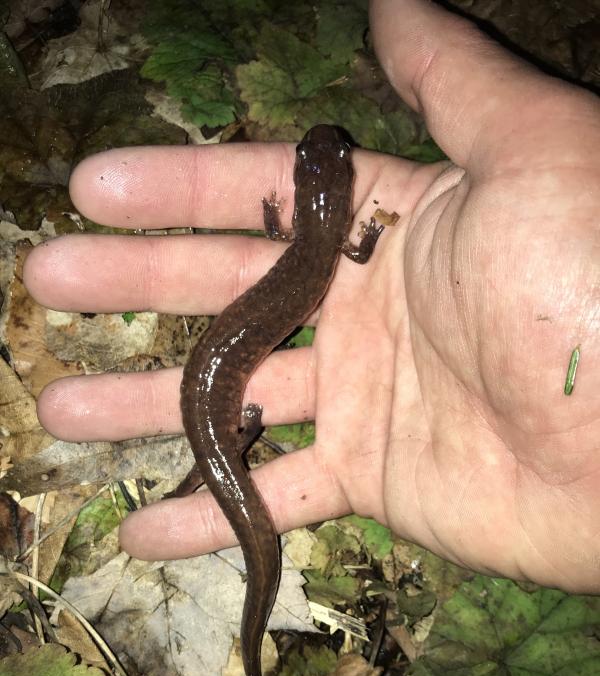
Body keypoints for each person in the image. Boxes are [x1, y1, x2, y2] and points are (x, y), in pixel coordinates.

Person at [24, 0, 600, 593]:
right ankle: (217, 465)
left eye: (327, 161)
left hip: (213, 379)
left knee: (219, 444)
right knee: (220, 444)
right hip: (217, 381)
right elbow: (357, 251)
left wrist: (300, 221)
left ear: (311, 189)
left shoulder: (311, 239)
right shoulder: (328, 244)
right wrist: (369, 229)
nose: (323, 154)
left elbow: (312, 241)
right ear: (333, 189)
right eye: (317, 160)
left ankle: (215, 468)